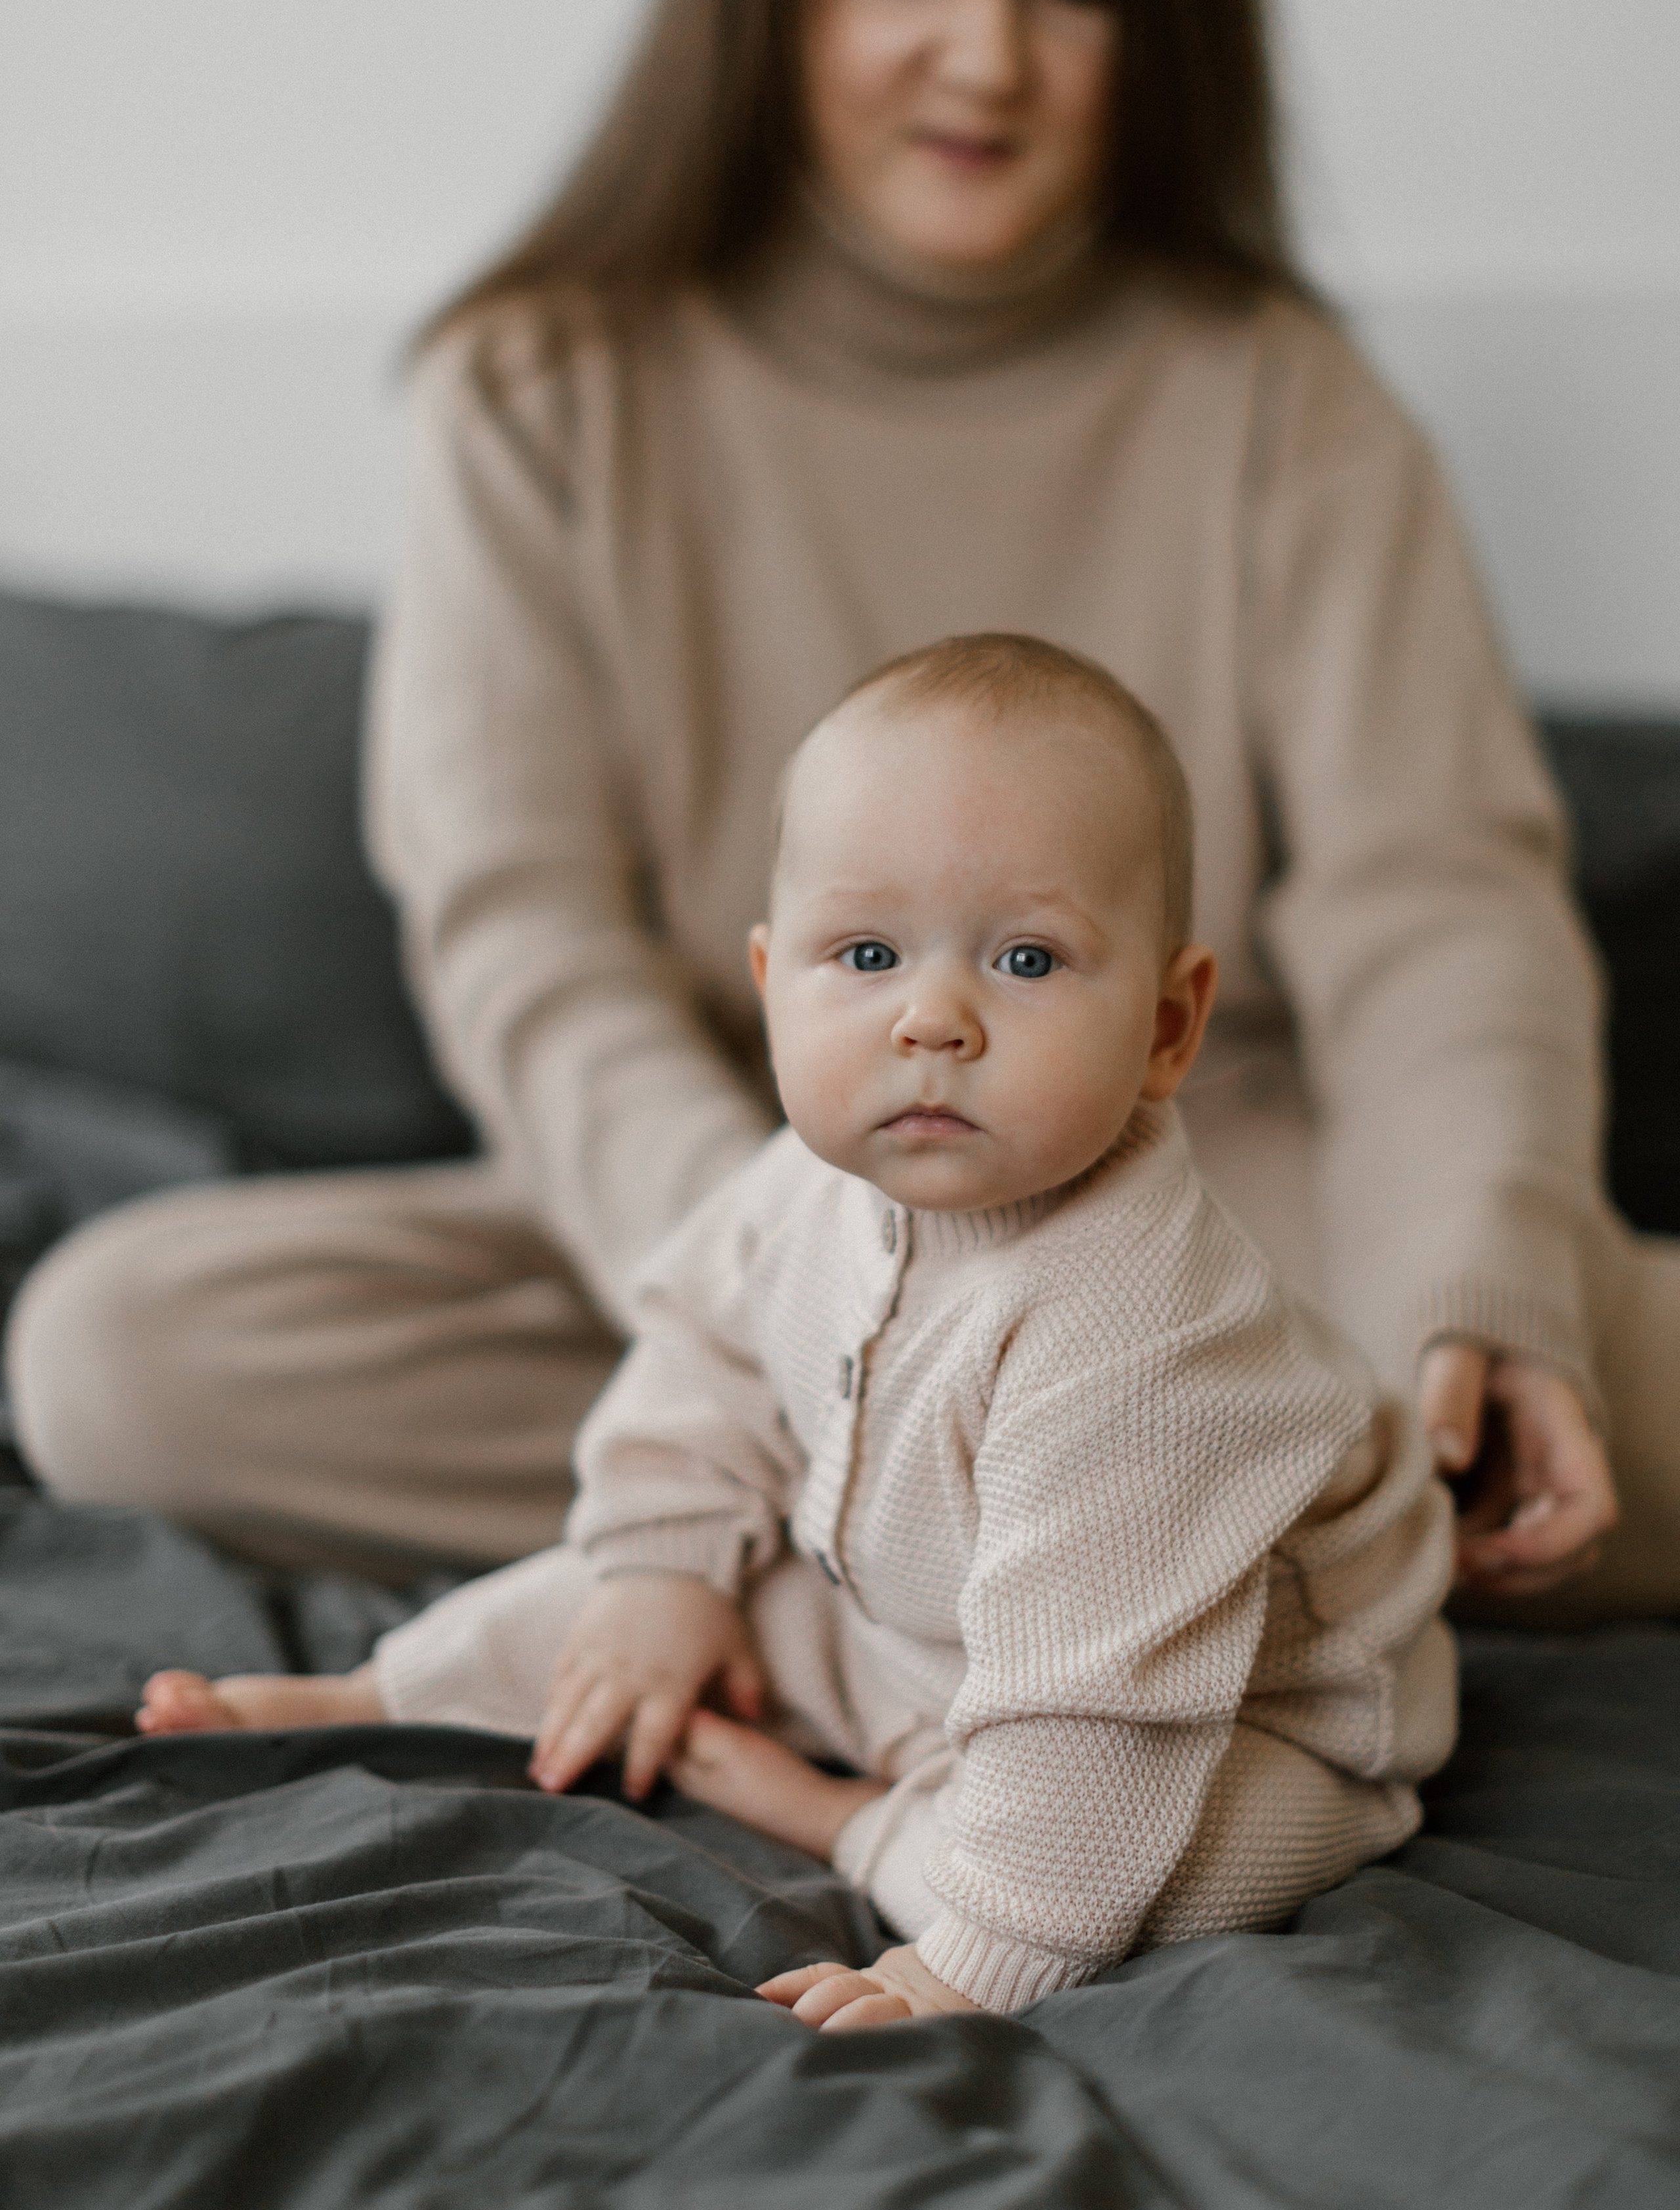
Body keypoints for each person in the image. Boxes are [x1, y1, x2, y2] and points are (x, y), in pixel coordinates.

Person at [5, 0, 1671, 1617]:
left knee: (1557, 1361)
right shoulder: (538, 393)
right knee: (121, 1353)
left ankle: (1033, 1537)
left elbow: (1440, 907)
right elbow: (527, 945)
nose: (987, 58)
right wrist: (805, 1307)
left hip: (1216, 1231)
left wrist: (1476, 1285)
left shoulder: (1288, 404)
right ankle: (1125, 1546)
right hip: (732, 1229)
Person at [136, 637, 1458, 2029]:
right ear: (774, 983)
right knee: (618, 1596)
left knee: (1165, 1866)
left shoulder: (1144, 1342)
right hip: (902, 1626)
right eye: (867, 954)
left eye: (1025, 958)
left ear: (1167, 1025)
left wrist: (964, 1968)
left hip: (1221, 1713)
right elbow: (700, 1358)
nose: (931, 1019)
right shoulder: (805, 1183)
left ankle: (845, 1820)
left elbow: (1094, 1719)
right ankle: (377, 1697)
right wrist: (665, 1577)